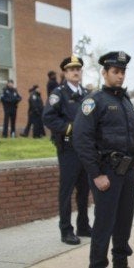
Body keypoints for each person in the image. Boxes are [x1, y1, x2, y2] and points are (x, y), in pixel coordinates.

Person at [72, 51, 134, 268]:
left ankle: (121, 264)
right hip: (108, 173)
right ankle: (97, 265)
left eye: (123, 71)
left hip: (127, 172)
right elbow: (81, 139)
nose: (120, 76)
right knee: (104, 225)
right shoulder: (94, 101)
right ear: (104, 73)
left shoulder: (125, 101)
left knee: (124, 223)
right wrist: (96, 174)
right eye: (116, 71)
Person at [43, 56, 92, 245]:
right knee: (67, 191)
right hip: (68, 149)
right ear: (64, 72)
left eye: (78, 68)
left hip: (85, 149)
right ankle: (66, 230)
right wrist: (70, 128)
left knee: (84, 189)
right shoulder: (59, 93)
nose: (76, 72)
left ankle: (83, 225)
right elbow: (48, 117)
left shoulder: (87, 94)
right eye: (71, 69)